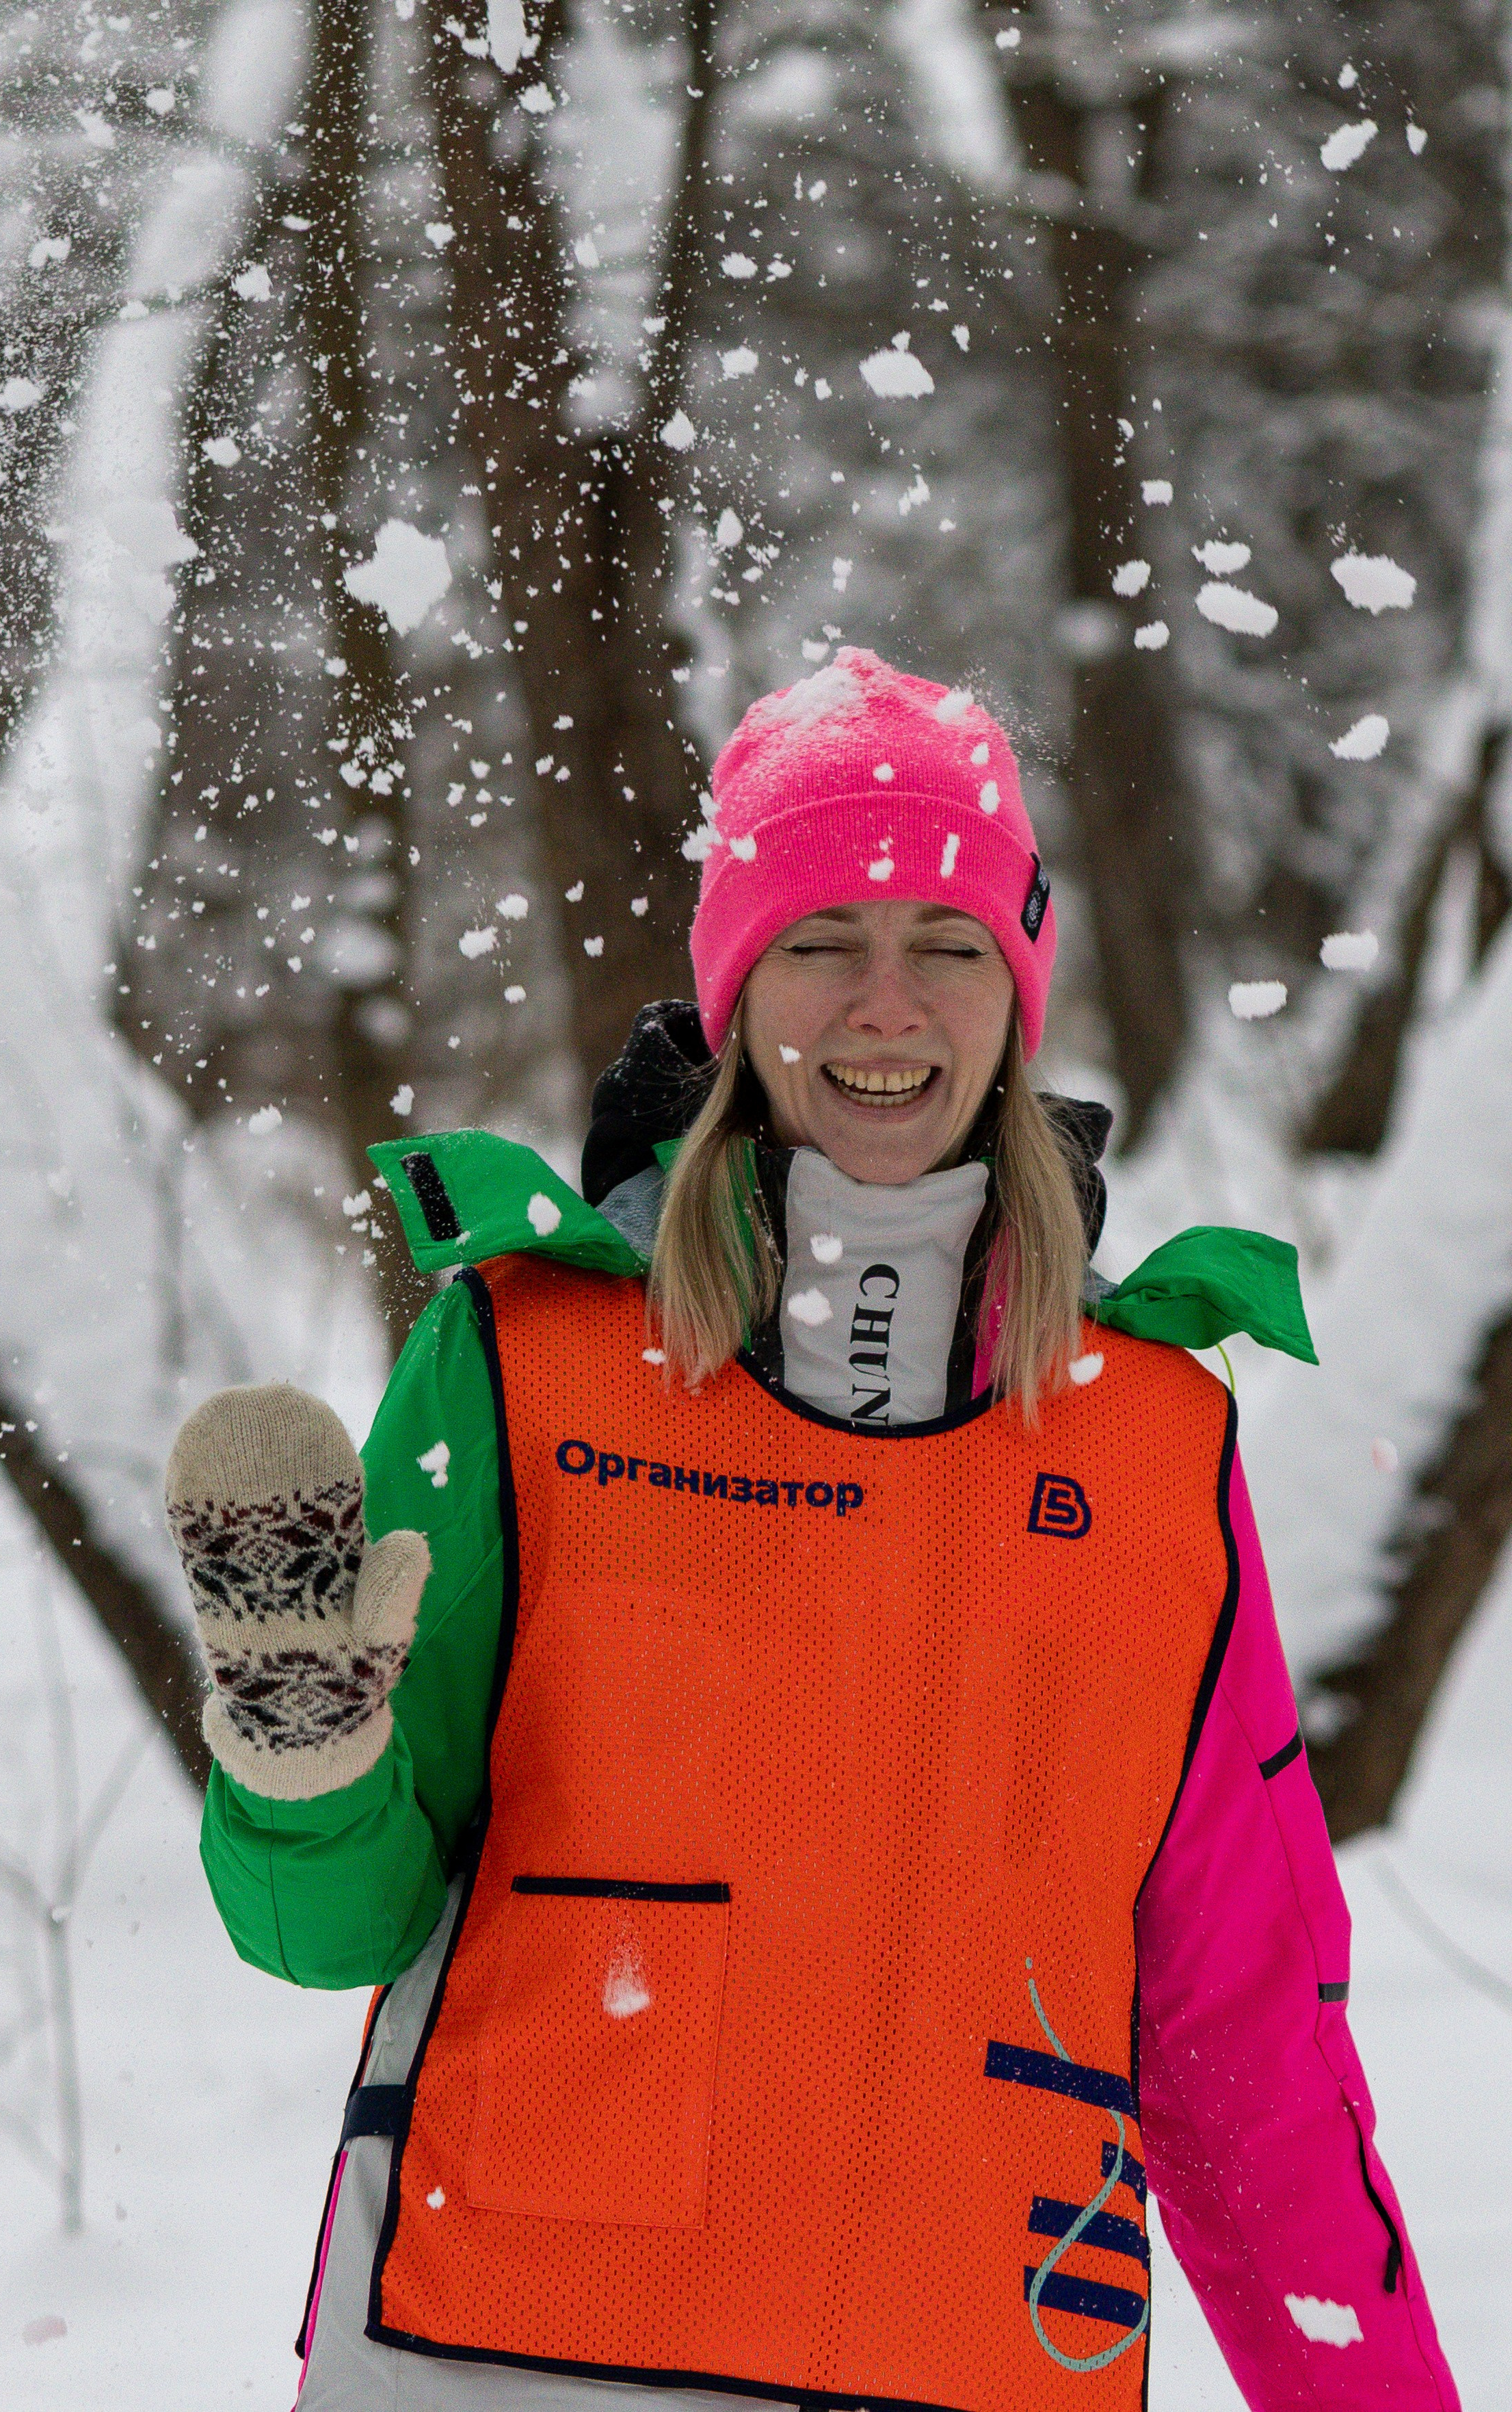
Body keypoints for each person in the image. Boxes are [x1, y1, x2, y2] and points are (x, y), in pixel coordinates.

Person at [168, 649, 1457, 2412]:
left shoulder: (1155, 1446)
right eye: (820, 941)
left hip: (983, 2354)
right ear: (734, 983)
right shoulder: (528, 1359)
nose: (884, 1007)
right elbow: (336, 1931)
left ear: (1020, 994)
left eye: (947, 946)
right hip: (518, 2348)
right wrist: (305, 1774)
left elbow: (1248, 2043)